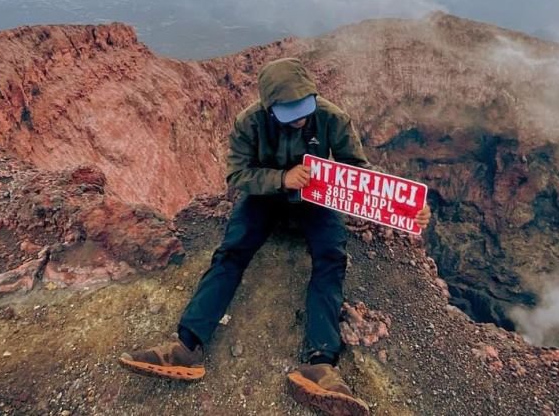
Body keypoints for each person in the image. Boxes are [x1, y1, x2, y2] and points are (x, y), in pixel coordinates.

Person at [119, 57, 431, 415]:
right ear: (269, 108)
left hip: (316, 198)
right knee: (231, 252)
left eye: (304, 108)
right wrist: (281, 180)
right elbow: (237, 176)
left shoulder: (333, 118)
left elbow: (357, 172)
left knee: (331, 257)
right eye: (289, 111)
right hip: (265, 197)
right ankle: (187, 346)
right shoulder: (248, 123)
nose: (299, 118)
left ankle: (321, 364)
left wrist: (405, 207)